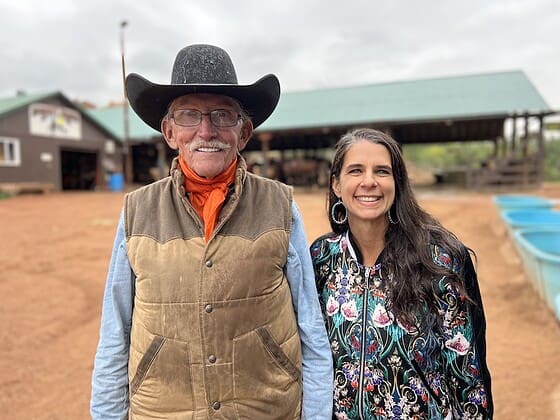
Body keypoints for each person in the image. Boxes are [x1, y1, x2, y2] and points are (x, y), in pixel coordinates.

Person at [90, 44, 333, 419]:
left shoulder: (279, 207)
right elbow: (114, 334)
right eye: (189, 115)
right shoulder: (137, 213)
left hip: (265, 410)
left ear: (244, 132)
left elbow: (311, 331)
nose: (206, 130)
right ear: (170, 132)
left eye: (222, 115)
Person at [310, 128, 493, 419]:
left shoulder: (439, 259)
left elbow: (468, 373)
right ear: (336, 184)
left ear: (397, 183)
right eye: (356, 170)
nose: (368, 182)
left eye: (382, 171)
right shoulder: (321, 258)